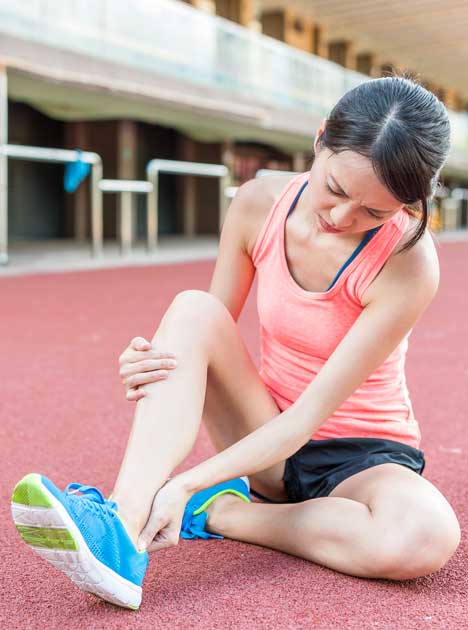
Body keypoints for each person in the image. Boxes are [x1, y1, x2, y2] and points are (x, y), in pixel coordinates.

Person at [11, 76, 461, 610]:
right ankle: (121, 528)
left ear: (407, 207)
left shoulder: (409, 262)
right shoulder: (257, 204)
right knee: (193, 308)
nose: (342, 219)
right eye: (335, 189)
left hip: (363, 459)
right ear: (319, 141)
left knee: (426, 535)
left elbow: (308, 419)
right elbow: (204, 335)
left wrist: (185, 485)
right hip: (263, 429)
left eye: (375, 213)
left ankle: (224, 513)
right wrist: (153, 362)